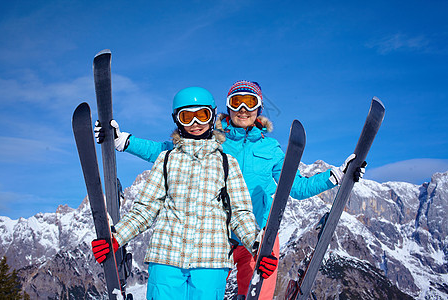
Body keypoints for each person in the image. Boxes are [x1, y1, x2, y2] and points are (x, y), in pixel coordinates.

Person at [94, 80, 365, 299]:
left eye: (250, 102)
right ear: (226, 108)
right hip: (213, 234)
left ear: (259, 108)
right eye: (237, 102)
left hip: (253, 228)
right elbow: (165, 152)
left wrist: (336, 177)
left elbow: (296, 187)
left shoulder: (269, 150)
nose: (243, 108)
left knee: (258, 291)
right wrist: (124, 142)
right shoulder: (212, 140)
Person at [91, 87, 278, 300]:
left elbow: (240, 214)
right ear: (177, 120)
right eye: (187, 117)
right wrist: (116, 238)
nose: (195, 123)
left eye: (202, 115)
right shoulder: (166, 159)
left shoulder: (227, 163)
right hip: (166, 258)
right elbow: (145, 209)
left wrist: (257, 246)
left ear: (213, 116)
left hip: (210, 261)